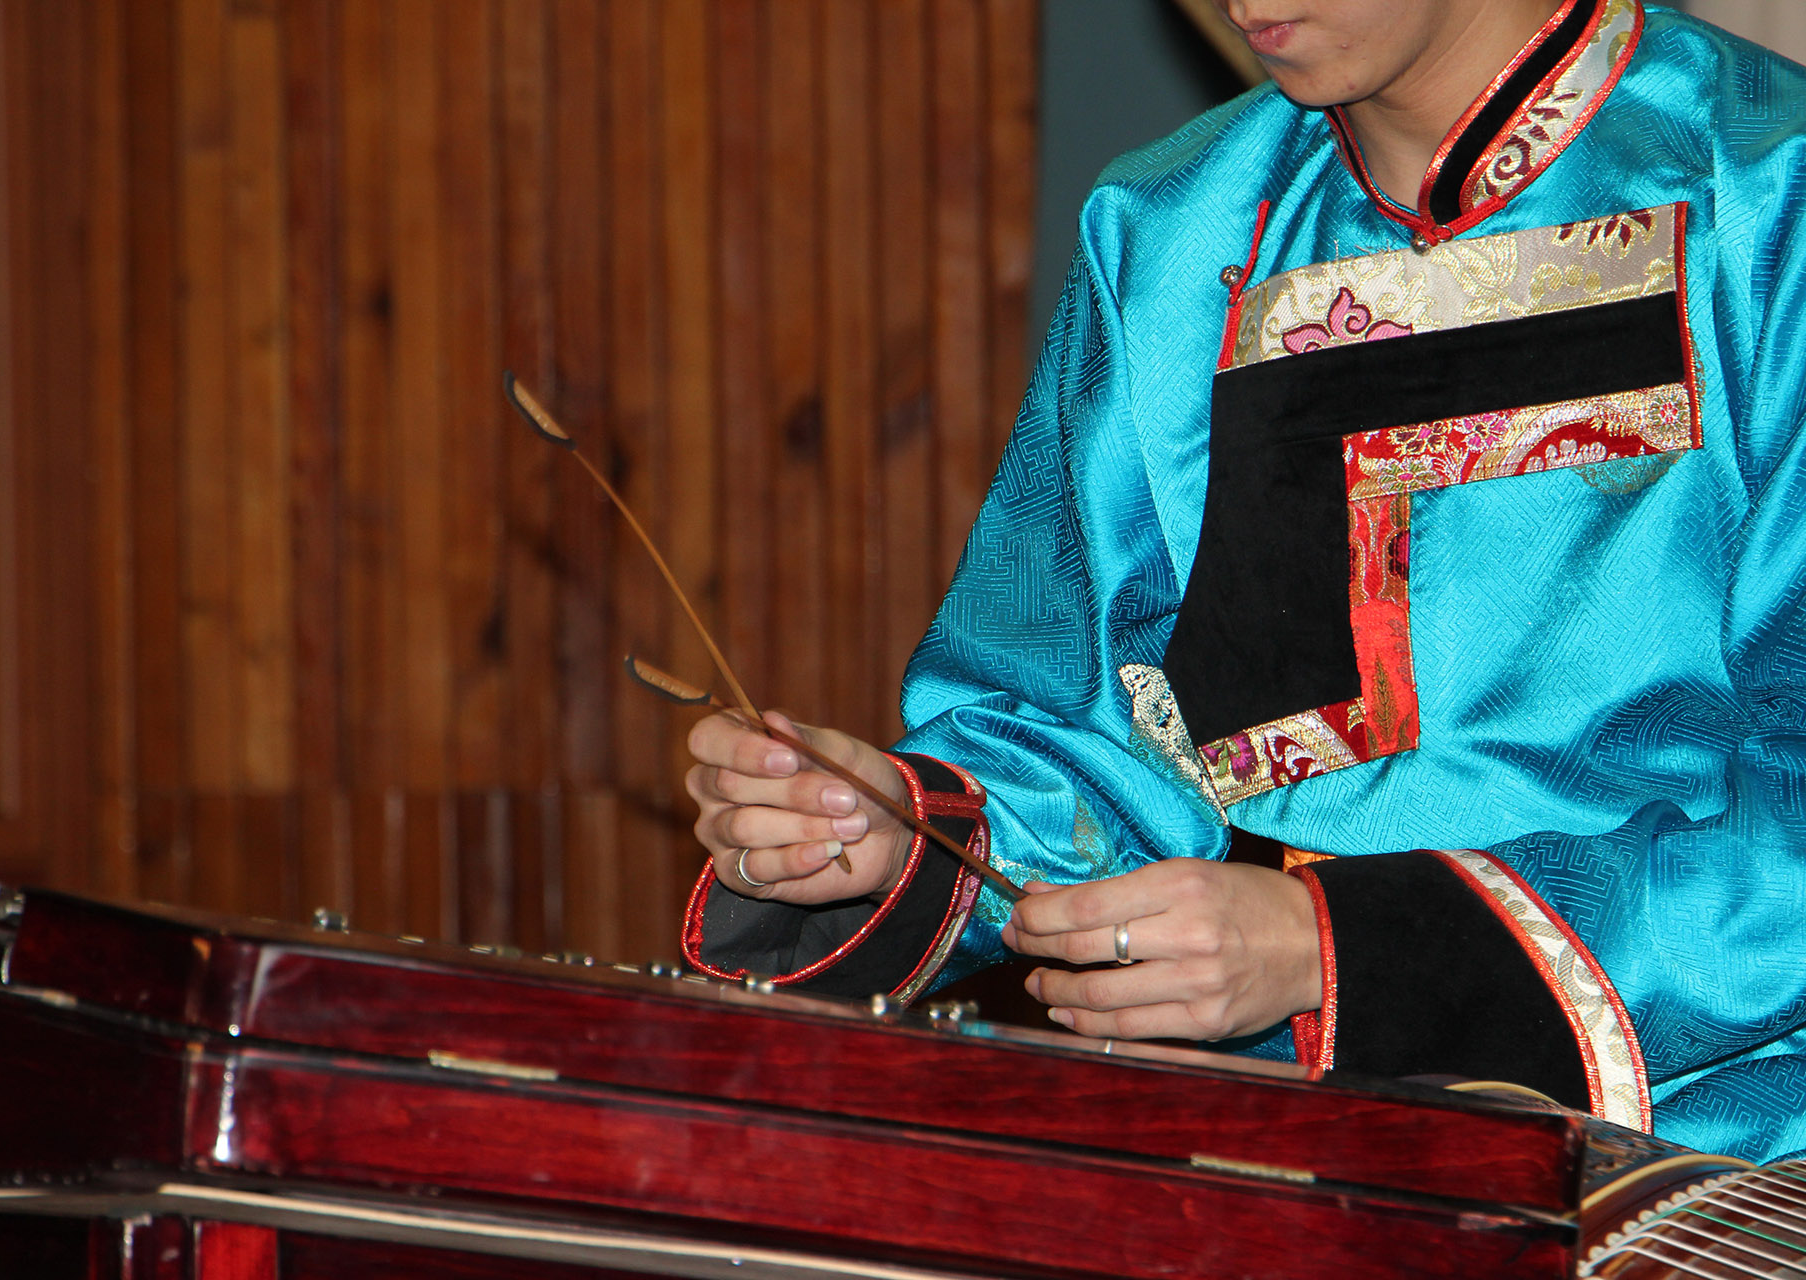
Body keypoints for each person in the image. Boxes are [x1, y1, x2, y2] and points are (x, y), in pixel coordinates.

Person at [680, 0, 1806, 1165]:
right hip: (1260, 1143)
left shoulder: (1773, 201)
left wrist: (1340, 949)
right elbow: (1095, 727)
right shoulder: (1171, 230)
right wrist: (896, 831)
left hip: (1719, 1154)